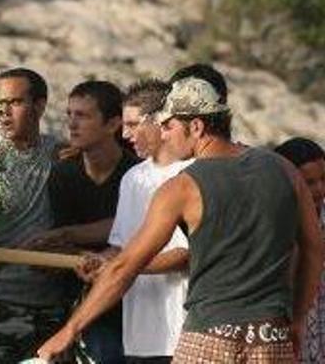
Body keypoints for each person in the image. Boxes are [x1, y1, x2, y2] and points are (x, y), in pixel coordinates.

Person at [38, 77, 324, 363]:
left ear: (196, 127)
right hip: (272, 340)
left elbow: (125, 267)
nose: (163, 135)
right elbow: (313, 249)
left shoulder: (182, 187)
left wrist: (69, 330)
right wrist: (297, 319)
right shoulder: (284, 169)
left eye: (168, 126)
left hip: (209, 339)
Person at [0, 68, 68, 363]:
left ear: (40, 105)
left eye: (15, 102)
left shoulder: (63, 156)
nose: (4, 113)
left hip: (52, 309)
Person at [85, 79, 192, 363]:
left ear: (160, 122)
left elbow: (185, 254)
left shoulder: (193, 174)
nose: (124, 134)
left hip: (182, 332)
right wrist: (100, 262)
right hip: (138, 336)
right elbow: (121, 247)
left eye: (133, 125)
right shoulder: (132, 178)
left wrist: (120, 268)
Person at [39, 80, 137, 363]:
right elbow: (61, 242)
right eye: (69, 114)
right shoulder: (63, 174)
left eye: (82, 116)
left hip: (130, 302)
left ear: (113, 124)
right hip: (76, 300)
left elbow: (134, 231)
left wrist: (69, 236)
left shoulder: (136, 174)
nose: (71, 124)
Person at [275, 137, 325, 363]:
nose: (319, 190)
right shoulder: (273, 223)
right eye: (309, 182)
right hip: (288, 332)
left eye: (324, 179)